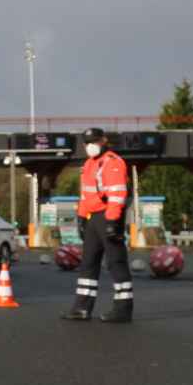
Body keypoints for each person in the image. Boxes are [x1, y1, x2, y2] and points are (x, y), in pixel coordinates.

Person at [62, 127, 133, 322]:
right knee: (88, 263)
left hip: (109, 215)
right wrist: (81, 217)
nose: (90, 146)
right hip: (94, 217)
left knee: (115, 262)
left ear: (104, 141)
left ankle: (123, 308)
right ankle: (82, 308)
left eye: (94, 141)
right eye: (87, 143)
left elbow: (118, 194)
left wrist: (112, 221)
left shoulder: (113, 163)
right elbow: (85, 195)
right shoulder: (88, 165)